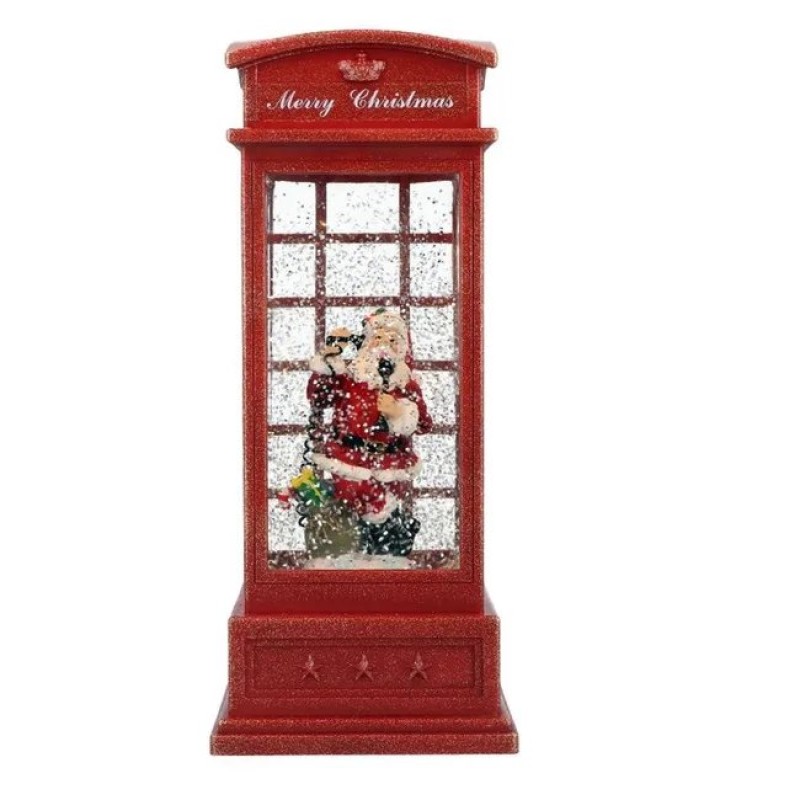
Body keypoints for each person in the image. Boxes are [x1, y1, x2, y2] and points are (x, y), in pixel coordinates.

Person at [306, 309, 432, 555]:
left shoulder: (405, 384)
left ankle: (385, 556)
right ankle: (347, 555)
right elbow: (318, 397)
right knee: (346, 522)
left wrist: (399, 412)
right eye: (378, 337)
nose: (384, 345)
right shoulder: (349, 378)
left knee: (385, 520)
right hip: (348, 460)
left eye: (392, 339)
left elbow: (424, 424)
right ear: (365, 343)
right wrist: (329, 359)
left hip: (389, 465)